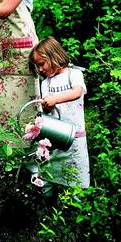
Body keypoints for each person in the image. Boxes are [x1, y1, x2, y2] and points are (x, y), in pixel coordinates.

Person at [28, 36, 90, 195]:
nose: (40, 70)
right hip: (55, 136)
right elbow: (49, 110)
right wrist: (47, 106)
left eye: (42, 64)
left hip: (74, 136)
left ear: (54, 57)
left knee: (76, 171)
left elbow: (77, 92)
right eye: (38, 66)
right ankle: (46, 198)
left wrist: (55, 99)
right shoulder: (46, 83)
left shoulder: (74, 74)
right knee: (50, 168)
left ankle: (76, 203)